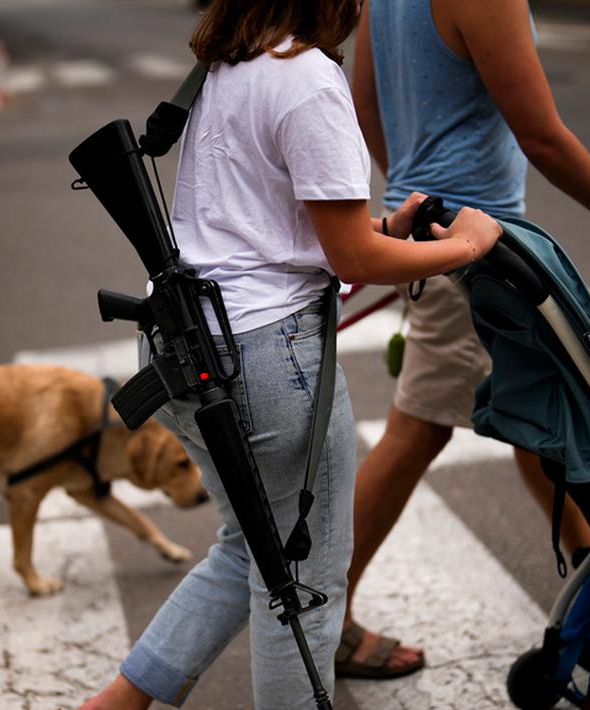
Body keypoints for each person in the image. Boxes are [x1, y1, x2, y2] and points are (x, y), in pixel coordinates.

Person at [79, 2, 502, 708]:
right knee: (301, 585)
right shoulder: (306, 77)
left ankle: (114, 705)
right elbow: (349, 255)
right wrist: (466, 245)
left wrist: (384, 228)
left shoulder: (228, 65)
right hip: (264, 355)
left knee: (252, 549)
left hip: (184, 341)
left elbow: (264, 223)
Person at [340, 0, 590, 679]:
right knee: (419, 428)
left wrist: (414, 185)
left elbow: (365, 108)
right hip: (472, 248)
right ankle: (325, 616)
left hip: (435, 228)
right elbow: (541, 136)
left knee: (534, 400)